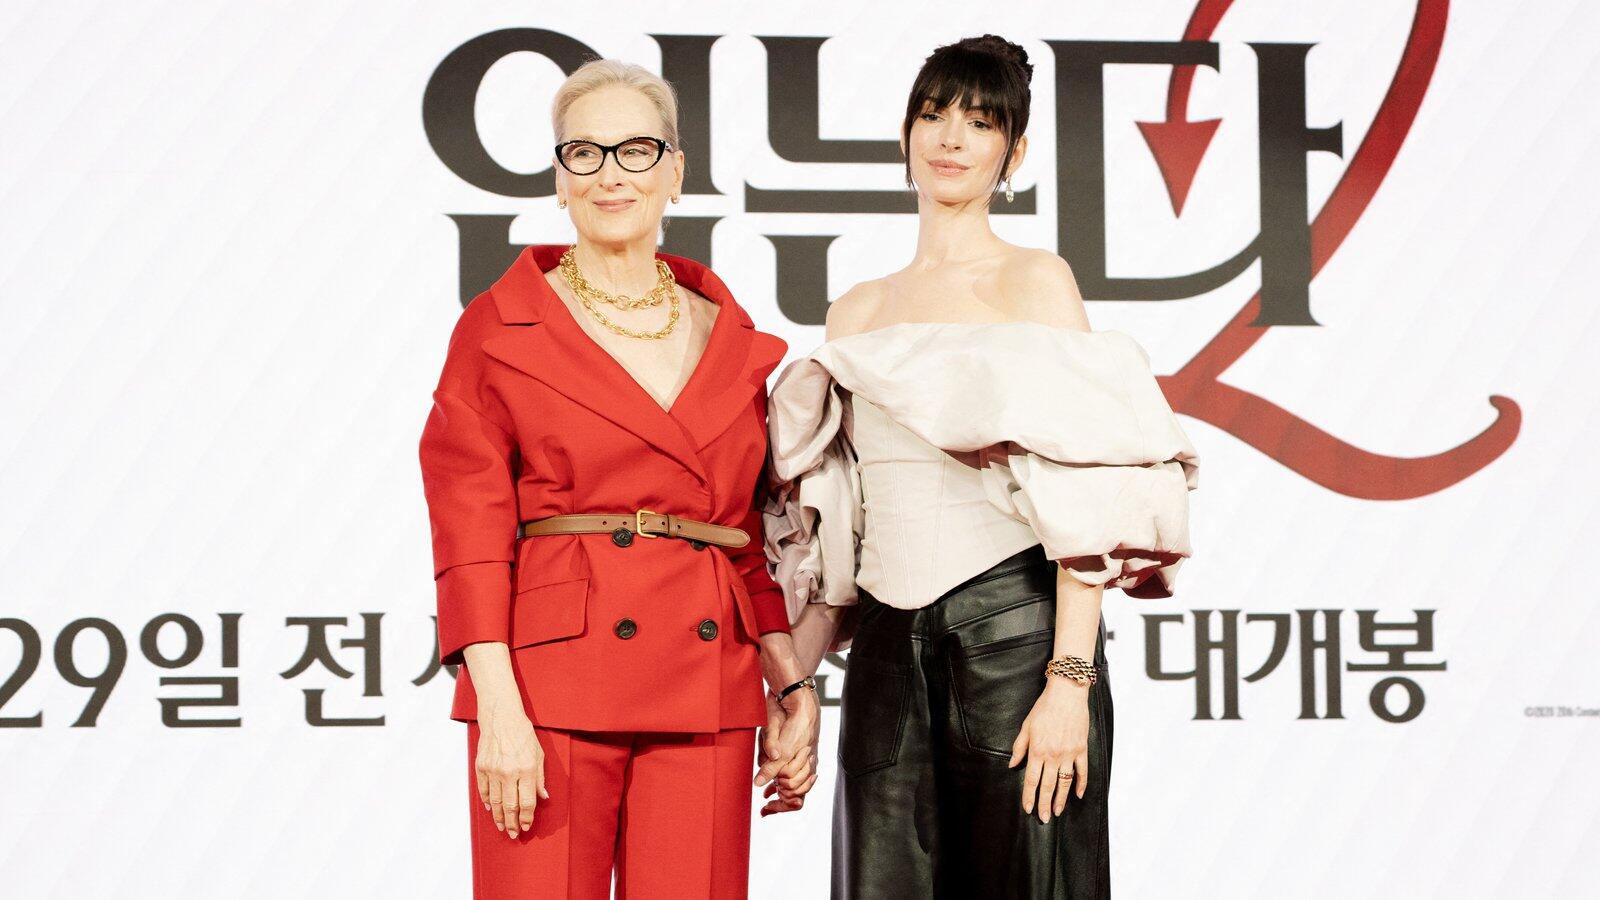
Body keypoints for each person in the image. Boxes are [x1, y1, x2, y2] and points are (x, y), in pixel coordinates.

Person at [763, 35, 1200, 898]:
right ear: (905, 135)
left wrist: (1070, 682)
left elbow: (1084, 487)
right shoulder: (858, 309)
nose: (951, 138)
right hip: (885, 658)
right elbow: (841, 525)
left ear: (1015, 152)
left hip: (1017, 641)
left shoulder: (1034, 281)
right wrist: (792, 686)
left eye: (980, 121)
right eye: (934, 115)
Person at [418, 58, 819, 899]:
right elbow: (469, 533)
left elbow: (743, 536)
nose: (611, 175)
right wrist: (498, 707)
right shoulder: (502, 327)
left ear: (675, 172)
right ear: (558, 177)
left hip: (705, 682)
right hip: (549, 684)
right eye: (585, 153)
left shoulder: (727, 332)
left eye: (636, 151)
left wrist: (790, 678)